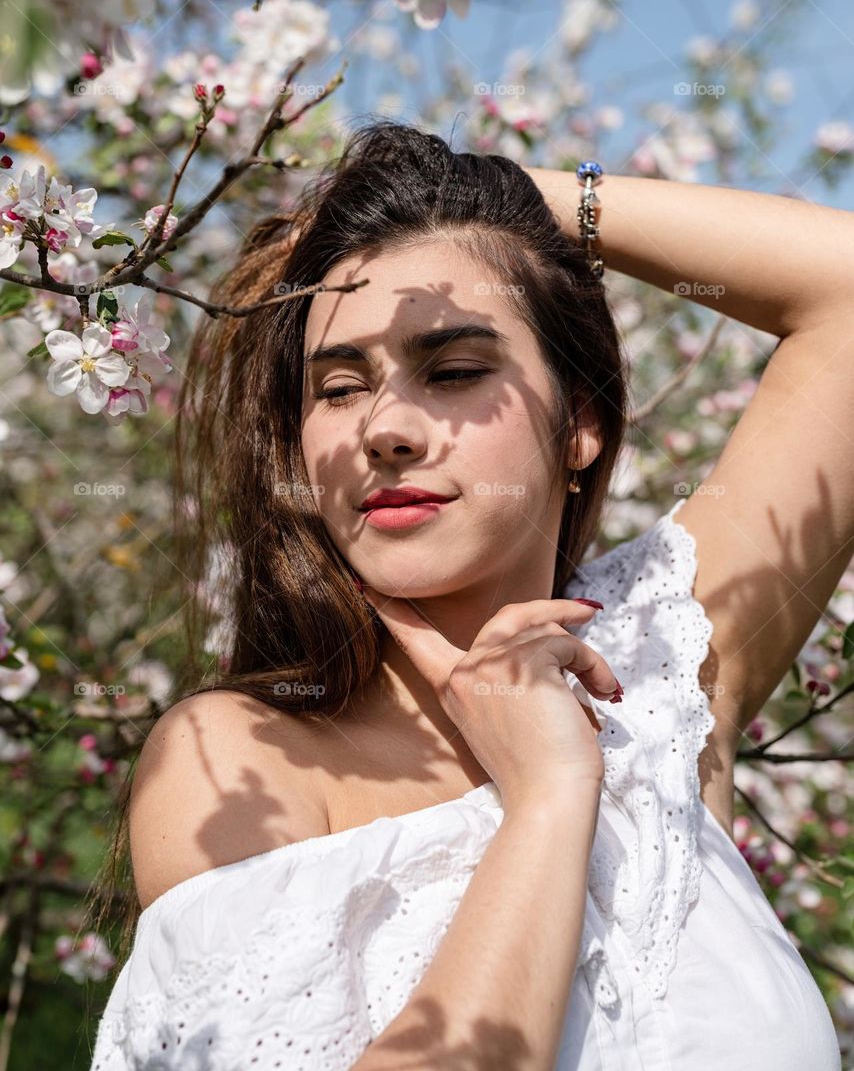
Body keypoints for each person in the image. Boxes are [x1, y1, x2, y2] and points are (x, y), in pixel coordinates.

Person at [88, 119, 850, 1069]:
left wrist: (496, 200)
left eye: (451, 371)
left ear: (580, 427)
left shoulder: (656, 675)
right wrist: (546, 797)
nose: (386, 429)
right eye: (336, 387)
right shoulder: (240, 759)